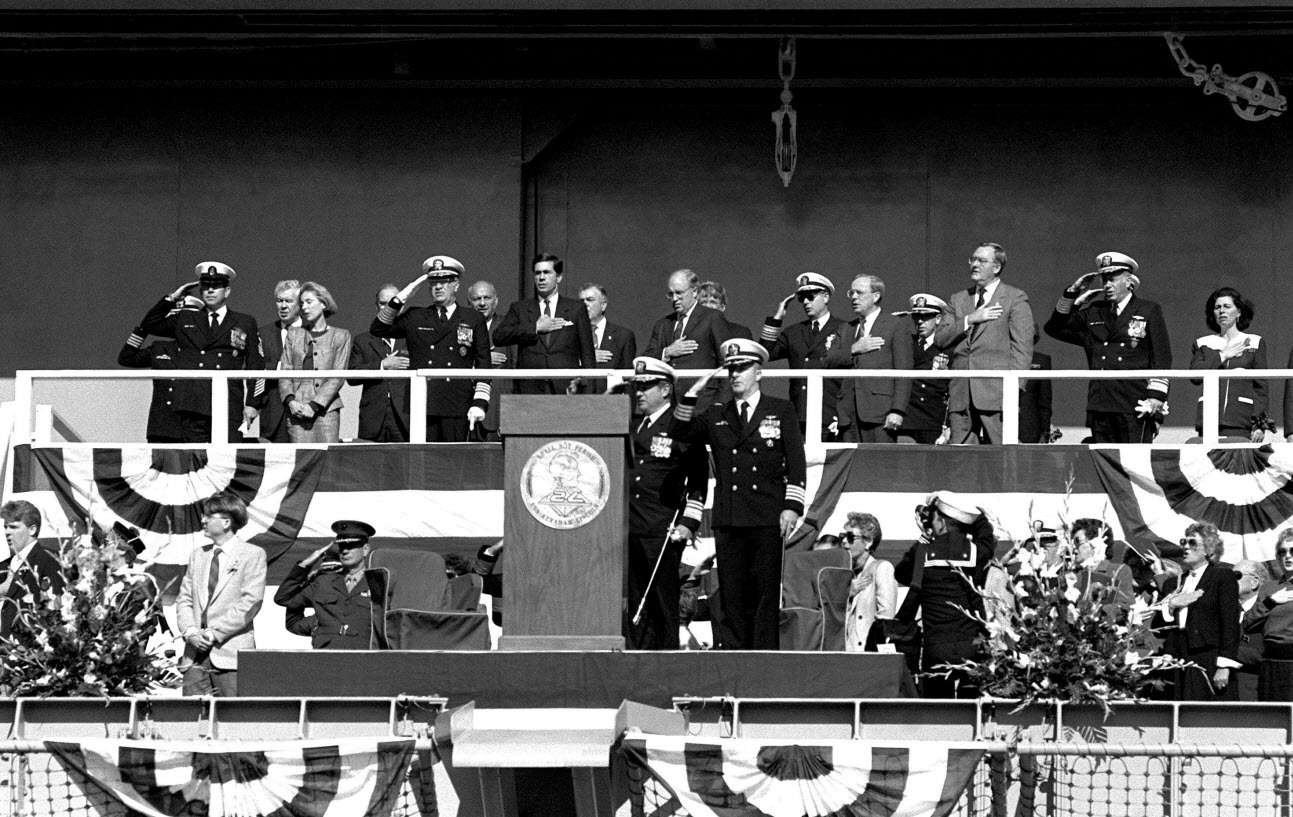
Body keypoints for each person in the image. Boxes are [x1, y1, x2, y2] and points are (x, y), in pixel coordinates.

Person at [668, 339, 806, 649]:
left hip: (766, 515)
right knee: (732, 594)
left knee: (764, 595)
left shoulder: (780, 410)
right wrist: (692, 394)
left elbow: (796, 463)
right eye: (732, 369)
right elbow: (679, 431)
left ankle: (763, 660)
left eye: (743, 368)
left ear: (759, 372)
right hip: (730, 517)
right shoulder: (718, 413)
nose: (736, 375)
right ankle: (735, 659)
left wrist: (792, 507)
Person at [1044, 252, 1172, 443]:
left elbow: (1161, 357)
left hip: (1134, 404)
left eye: (1112, 279)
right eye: (1104, 280)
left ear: (1129, 282)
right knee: (1103, 464)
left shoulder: (1148, 310)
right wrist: (1073, 295)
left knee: (1134, 467)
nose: (1106, 285)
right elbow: (1054, 328)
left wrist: (1156, 399)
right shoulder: (1096, 311)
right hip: (1101, 403)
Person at [625, 357, 708, 650]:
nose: (639, 393)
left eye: (646, 387)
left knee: (661, 601)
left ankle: (666, 660)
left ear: (665, 390)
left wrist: (689, 523)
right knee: (635, 600)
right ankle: (638, 662)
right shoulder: (632, 426)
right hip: (630, 524)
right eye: (637, 386)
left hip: (662, 526)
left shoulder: (682, 426)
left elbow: (698, 480)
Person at [139, 262, 263, 443]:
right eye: (205, 287)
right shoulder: (186, 318)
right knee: (194, 462)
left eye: (216, 287)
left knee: (225, 463)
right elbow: (148, 325)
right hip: (192, 404)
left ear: (227, 291)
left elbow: (256, 365)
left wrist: (253, 403)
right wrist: (172, 298)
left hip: (227, 403)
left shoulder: (244, 322)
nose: (210, 291)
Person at [370, 256, 491, 441]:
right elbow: (378, 328)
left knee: (453, 462)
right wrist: (402, 297)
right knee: (423, 464)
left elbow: (483, 363)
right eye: (433, 282)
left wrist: (480, 402)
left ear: (456, 285)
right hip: (422, 401)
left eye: (444, 281)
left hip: (456, 402)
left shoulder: (472, 318)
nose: (438, 287)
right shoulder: (416, 316)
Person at [895, 491, 995, 698]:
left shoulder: (923, 552)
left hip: (936, 645)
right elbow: (986, 535)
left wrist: (925, 535)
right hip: (971, 644)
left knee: (939, 710)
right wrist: (976, 518)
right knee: (972, 710)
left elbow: (902, 574)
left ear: (940, 521)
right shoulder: (975, 551)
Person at [934, 242, 1035, 445]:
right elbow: (940, 338)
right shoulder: (959, 299)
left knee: (1001, 456)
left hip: (997, 392)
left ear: (996, 267)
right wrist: (970, 319)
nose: (975, 264)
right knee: (961, 461)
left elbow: (1022, 348)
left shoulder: (1014, 298)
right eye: (973, 259)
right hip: (961, 392)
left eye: (982, 260)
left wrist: (1013, 389)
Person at [175, 493, 266, 697]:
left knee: (232, 719)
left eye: (209, 515)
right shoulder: (198, 555)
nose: (203, 520)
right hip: (194, 657)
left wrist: (213, 634)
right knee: (192, 718)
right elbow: (184, 599)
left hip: (231, 656)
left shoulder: (252, 554)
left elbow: (251, 602)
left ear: (226, 522)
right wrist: (190, 632)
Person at [1154, 521, 1240, 701]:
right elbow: (1160, 626)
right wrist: (1171, 605)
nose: (1185, 547)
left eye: (1192, 543)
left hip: (1209, 657)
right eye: (1183, 542)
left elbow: (1230, 623)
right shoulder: (1173, 584)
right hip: (1178, 658)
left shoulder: (1222, 577)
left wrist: (1224, 665)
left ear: (1209, 550)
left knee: (1207, 715)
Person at [273, 520, 389, 650]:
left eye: (351, 546)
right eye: (342, 546)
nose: (345, 551)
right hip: (326, 657)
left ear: (365, 549)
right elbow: (284, 598)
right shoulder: (324, 582)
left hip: (364, 657)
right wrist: (305, 565)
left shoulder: (378, 582)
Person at [759, 272, 848, 440]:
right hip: (799, 415)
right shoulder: (794, 332)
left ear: (826, 296)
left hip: (830, 414)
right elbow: (765, 354)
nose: (806, 302)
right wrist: (778, 317)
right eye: (802, 299)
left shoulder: (844, 329)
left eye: (810, 296)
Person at [493, 253, 596, 395]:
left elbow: (587, 354)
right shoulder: (520, 308)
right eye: (537, 273)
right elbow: (499, 336)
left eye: (547, 272)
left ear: (559, 277)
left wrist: (586, 388)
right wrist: (535, 328)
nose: (541, 277)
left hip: (566, 388)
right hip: (529, 388)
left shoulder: (576, 308)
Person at [833, 274, 913, 443]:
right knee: (851, 465)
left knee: (879, 464)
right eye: (851, 293)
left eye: (859, 292)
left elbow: (903, 370)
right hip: (848, 413)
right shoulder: (847, 328)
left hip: (880, 412)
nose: (854, 297)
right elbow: (827, 360)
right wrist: (854, 349)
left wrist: (898, 410)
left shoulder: (895, 325)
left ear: (876, 296)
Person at [645, 269, 734, 409]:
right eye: (670, 294)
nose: (674, 299)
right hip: (668, 406)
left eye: (679, 293)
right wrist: (666, 352)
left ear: (694, 291)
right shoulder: (663, 324)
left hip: (702, 405)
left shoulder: (712, 318)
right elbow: (646, 360)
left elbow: (726, 362)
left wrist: (721, 404)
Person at [1190, 287, 1267, 441]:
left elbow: (1261, 387)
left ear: (1238, 312)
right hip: (1209, 419)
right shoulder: (1203, 343)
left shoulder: (1255, 342)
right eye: (1217, 307)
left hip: (1241, 420)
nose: (1222, 311)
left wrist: (1260, 423)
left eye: (1227, 306)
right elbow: (1196, 376)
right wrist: (1223, 355)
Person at [278, 282, 352, 443]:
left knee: (326, 461)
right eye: (302, 303)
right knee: (301, 462)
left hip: (326, 410)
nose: (304, 307)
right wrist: (291, 402)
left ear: (323, 304)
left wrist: (315, 405)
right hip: (296, 409)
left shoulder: (340, 336)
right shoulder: (294, 334)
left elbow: (338, 377)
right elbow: (285, 372)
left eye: (309, 302)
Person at [347, 284, 412, 443]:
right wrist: (382, 365)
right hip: (373, 417)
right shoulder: (362, 340)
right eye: (383, 303)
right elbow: (352, 376)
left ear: (402, 307)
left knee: (404, 465)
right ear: (376, 306)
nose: (388, 307)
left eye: (393, 302)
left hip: (405, 417)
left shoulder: (413, 338)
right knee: (370, 465)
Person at [0, 500, 64, 637]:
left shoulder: (49, 559)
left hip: (27, 650)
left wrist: (9, 589)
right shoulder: (4, 565)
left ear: (32, 529)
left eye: (13, 527)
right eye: (5, 527)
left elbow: (56, 607)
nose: (7, 532)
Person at [892, 294, 950, 444]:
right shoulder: (906, 344)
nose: (920, 322)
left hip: (933, 419)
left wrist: (949, 424)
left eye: (926, 317)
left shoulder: (947, 347)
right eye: (917, 317)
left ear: (937, 319)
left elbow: (954, 388)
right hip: (908, 419)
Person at [1243, 532, 1293, 700]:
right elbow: (1247, 624)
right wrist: (1270, 602)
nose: (1287, 556)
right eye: (1282, 552)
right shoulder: (1269, 588)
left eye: (1292, 551)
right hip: (1270, 663)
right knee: (1271, 717)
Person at [117, 325, 185, 444]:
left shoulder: (207, 352)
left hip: (194, 427)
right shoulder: (160, 348)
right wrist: (144, 328)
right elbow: (126, 358)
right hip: (161, 426)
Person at [839, 512, 895, 652]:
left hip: (867, 654)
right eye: (843, 536)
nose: (844, 541)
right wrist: (846, 593)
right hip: (843, 653)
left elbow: (886, 618)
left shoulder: (881, 568)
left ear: (868, 542)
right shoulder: (843, 573)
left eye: (851, 537)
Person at [256, 279, 302, 443]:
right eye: (279, 300)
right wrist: (279, 367)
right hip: (274, 412)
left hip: (305, 413)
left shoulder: (314, 332)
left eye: (288, 301)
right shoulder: (263, 334)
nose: (283, 306)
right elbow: (254, 367)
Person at [469, 280, 511, 440]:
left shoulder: (508, 326)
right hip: (466, 409)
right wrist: (481, 359)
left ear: (496, 300)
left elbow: (515, 369)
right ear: (469, 302)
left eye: (487, 298)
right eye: (476, 299)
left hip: (497, 412)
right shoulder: (461, 326)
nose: (482, 303)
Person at [578, 283, 637, 395]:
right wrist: (586, 359)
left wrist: (628, 410)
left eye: (590, 300)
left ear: (603, 305)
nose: (585, 304)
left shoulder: (623, 336)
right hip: (579, 403)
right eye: (581, 301)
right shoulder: (571, 334)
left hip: (610, 404)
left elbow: (629, 381)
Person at [1068, 518, 1133, 608]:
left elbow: (1125, 605)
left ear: (1095, 543)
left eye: (1078, 543)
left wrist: (1096, 614)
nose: (1074, 549)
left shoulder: (1119, 570)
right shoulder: (1076, 574)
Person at [1234, 559, 1267, 702]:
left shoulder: (1268, 612)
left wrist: (1225, 650)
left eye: (1237, 576)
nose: (1230, 581)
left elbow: (1265, 654)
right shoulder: (1225, 610)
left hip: (1252, 693)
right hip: (1223, 692)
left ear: (1254, 582)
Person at [1019, 329, 1055, 444]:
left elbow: (1044, 400)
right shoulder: (997, 358)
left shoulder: (1041, 360)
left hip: (1029, 426)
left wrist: (1045, 431)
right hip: (998, 423)